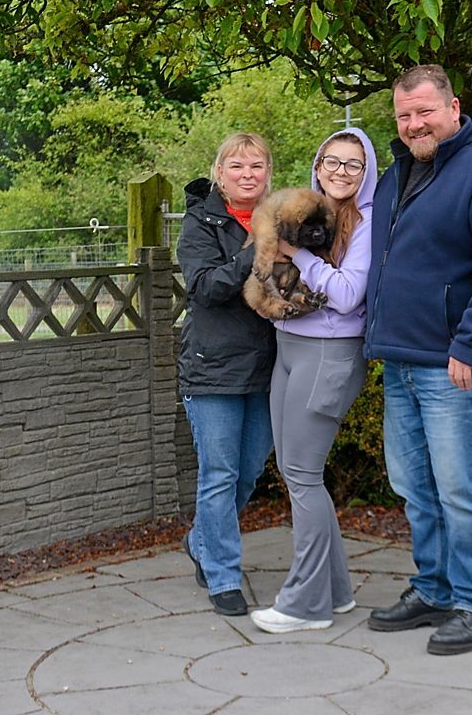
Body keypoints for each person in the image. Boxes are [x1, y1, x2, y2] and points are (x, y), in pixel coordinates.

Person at [364, 65, 472, 655]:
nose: (414, 124)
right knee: (414, 486)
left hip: (454, 364)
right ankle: (433, 589)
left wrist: (471, 342)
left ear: (454, 107)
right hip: (400, 359)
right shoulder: (397, 175)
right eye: (404, 115)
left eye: (424, 112)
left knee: (460, 489)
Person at [248, 128, 379, 634]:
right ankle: (338, 592)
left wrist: (296, 255)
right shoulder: (305, 212)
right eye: (333, 161)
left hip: (329, 353)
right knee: (295, 470)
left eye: (354, 164)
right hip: (290, 347)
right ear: (318, 165)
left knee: (302, 474)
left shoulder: (365, 225)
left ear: (365, 174)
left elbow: (348, 295)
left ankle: (305, 604)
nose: (341, 172)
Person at [177, 132, 277, 616]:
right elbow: (204, 287)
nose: (247, 175)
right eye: (237, 167)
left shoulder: (280, 220)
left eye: (256, 166)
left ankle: (200, 539)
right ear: (220, 173)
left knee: (249, 471)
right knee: (219, 474)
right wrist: (255, 249)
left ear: (268, 174)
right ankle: (222, 575)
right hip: (213, 369)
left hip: (266, 367)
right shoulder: (201, 222)